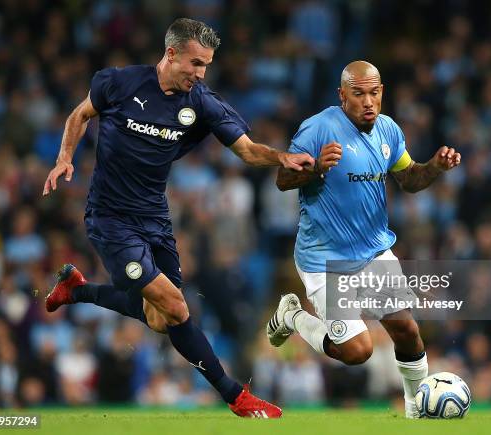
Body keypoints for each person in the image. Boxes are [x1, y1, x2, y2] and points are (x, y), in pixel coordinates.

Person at [42, 18, 314, 419]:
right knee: (176, 307)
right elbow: (79, 115)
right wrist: (65, 156)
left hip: (155, 219)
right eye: (195, 63)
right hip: (110, 219)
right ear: (171, 54)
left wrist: (280, 157)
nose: (201, 74)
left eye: (206, 65)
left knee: (158, 319)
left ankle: (77, 290)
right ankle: (236, 396)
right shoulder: (118, 83)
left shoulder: (200, 102)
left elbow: (246, 149)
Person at [266, 61, 461, 418]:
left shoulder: (387, 130)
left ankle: (416, 412)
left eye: (374, 93)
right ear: (342, 96)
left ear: (382, 92)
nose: (368, 102)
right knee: (357, 352)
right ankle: (292, 316)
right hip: (325, 259)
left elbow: (410, 180)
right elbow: (282, 179)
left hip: (373, 253)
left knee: (407, 331)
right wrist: (317, 168)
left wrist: (435, 166)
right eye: (358, 94)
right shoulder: (318, 128)